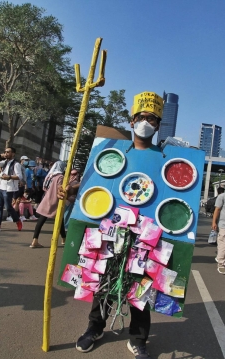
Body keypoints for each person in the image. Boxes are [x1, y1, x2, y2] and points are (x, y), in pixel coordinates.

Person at [73, 92, 166, 359]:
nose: (146, 122)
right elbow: (96, 188)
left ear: (158, 125)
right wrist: (71, 195)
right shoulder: (110, 153)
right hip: (111, 230)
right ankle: (95, 327)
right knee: (104, 280)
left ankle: (138, 338)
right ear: (132, 120)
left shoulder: (164, 159)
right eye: (141, 117)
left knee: (141, 286)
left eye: (152, 119)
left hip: (146, 233)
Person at [29, 161, 67, 248]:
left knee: (41, 220)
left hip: (46, 198)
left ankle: (35, 240)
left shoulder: (50, 175)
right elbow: (59, 188)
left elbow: (44, 187)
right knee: (60, 219)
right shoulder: (60, 176)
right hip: (55, 200)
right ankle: (64, 239)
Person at [0, 147, 23, 232]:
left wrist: (9, 177)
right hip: (0, 186)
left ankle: (17, 220)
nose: (6, 153)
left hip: (8, 188)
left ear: (13, 154)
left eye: (8, 152)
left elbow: (19, 176)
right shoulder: (4, 162)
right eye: (5, 152)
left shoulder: (16, 164)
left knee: (8, 207)